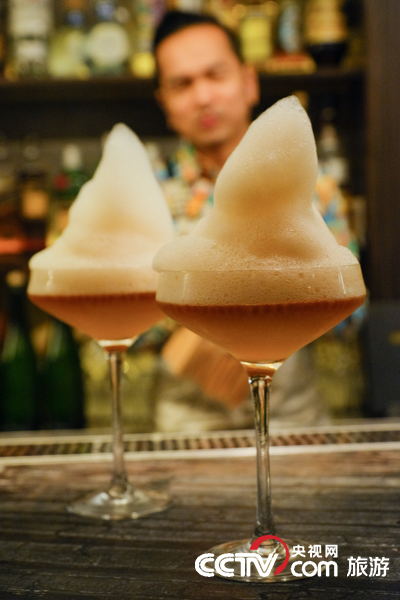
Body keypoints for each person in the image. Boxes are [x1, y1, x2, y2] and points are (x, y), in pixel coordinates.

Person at [150, 10, 358, 431]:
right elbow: (115, 329)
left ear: (249, 82)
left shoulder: (316, 188)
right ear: (165, 104)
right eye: (182, 84)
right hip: (187, 428)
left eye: (215, 75)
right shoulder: (147, 194)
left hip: (295, 425)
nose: (202, 96)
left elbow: (352, 318)